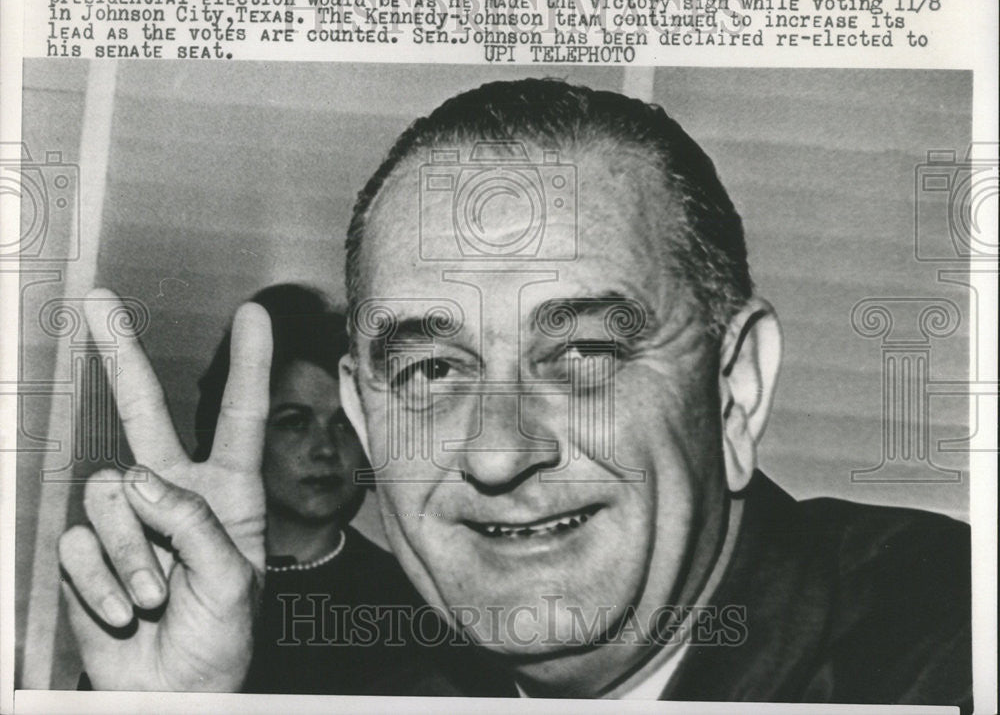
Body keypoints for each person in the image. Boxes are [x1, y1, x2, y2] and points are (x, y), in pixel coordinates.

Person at [59, 79, 971, 707]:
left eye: (578, 354)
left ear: (735, 389)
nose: (497, 452)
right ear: (370, 424)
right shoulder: (389, 689)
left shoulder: (946, 648)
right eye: (432, 370)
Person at [192, 284, 438, 694]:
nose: (325, 449)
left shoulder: (409, 602)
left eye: (344, 424)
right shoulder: (188, 579)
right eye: (294, 421)